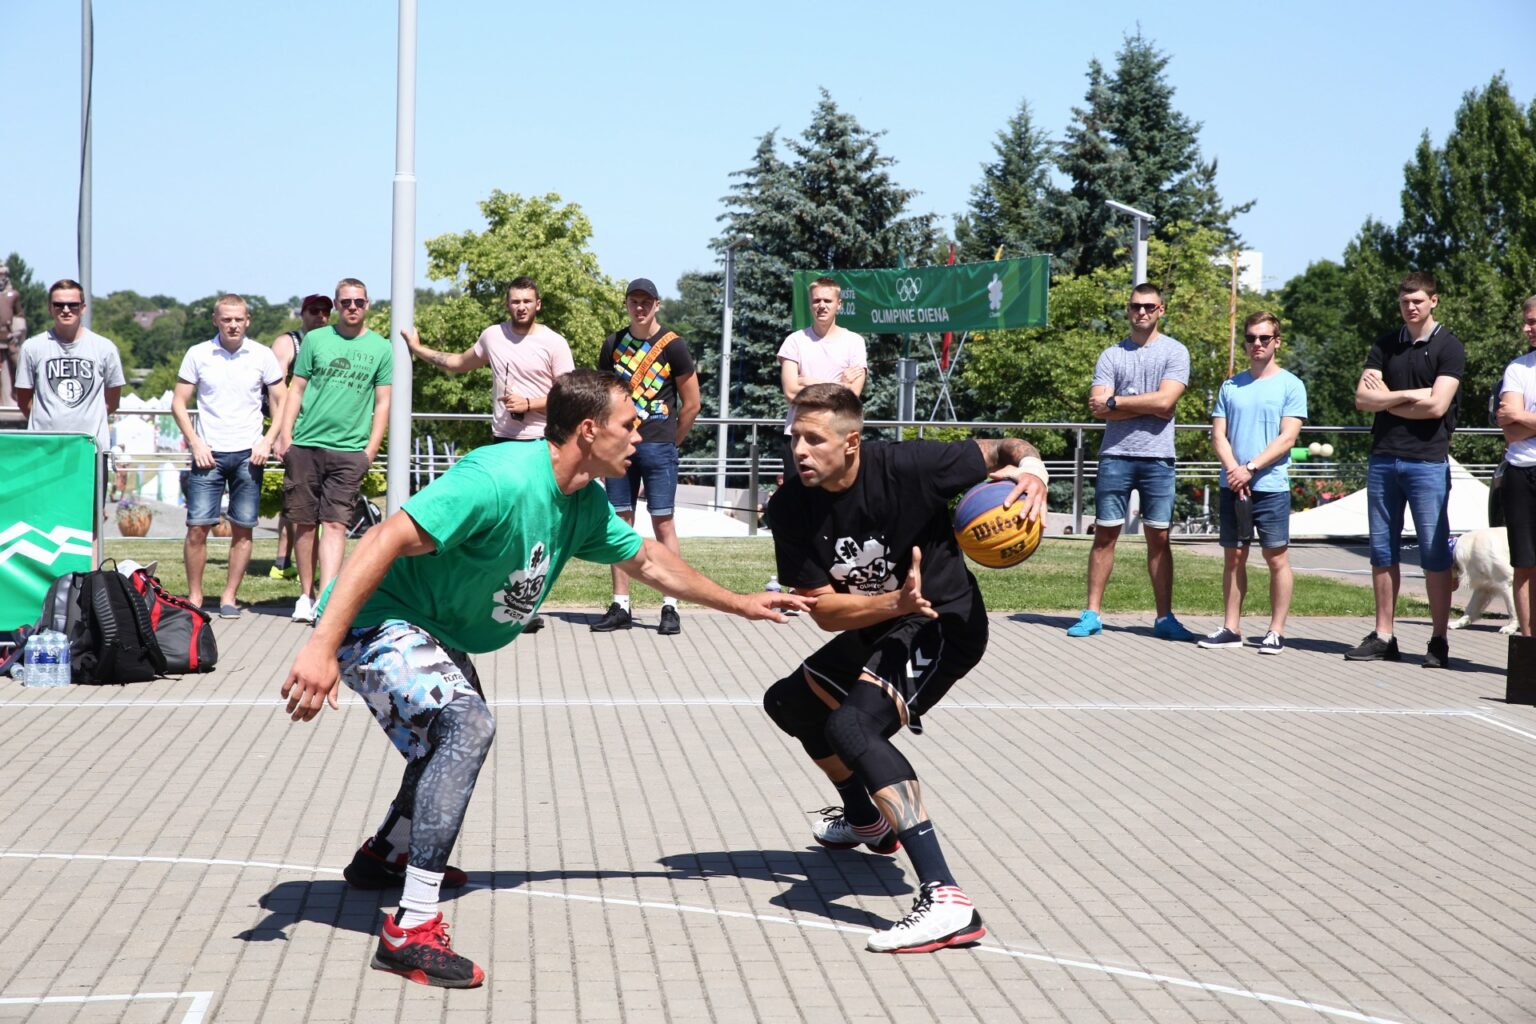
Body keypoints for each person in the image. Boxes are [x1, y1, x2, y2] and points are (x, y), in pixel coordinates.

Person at [280, 369, 811, 989]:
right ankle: (410, 931)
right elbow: (380, 539)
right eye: (629, 425)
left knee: (450, 737)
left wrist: (740, 603)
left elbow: (646, 561)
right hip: (380, 620)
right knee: (466, 727)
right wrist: (320, 644)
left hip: (436, 630)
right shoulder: (498, 479)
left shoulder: (582, 501)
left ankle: (384, 857)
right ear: (589, 430)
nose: (639, 437)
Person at [762, 383, 1048, 953]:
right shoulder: (791, 505)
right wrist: (891, 605)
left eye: (814, 438)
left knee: (852, 727)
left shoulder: (911, 464)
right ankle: (866, 820)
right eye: (795, 436)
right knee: (789, 702)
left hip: (944, 622)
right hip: (884, 617)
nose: (799, 449)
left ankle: (946, 901)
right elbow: (825, 613)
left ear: (851, 443)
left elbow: (1009, 447)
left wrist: (1033, 472)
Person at [402, 278, 574, 633]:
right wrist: (418, 349)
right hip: (502, 442)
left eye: (527, 301)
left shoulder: (554, 342)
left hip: (540, 444)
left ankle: (528, 604)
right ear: (507, 304)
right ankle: (497, 601)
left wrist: (529, 404)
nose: (521, 307)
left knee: (532, 529)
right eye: (515, 301)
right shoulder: (492, 336)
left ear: (538, 304)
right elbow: (457, 363)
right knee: (501, 529)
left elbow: (568, 394)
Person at [1346, 272, 1464, 667]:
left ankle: (1438, 640)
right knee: (1382, 549)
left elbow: (1436, 406)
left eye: (1417, 301)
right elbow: (1363, 399)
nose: (1410, 307)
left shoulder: (1449, 346)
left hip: (1427, 461)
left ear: (1434, 301)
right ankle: (1384, 635)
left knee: (1433, 551)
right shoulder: (1385, 344)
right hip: (1383, 458)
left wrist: (1388, 399)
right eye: (1404, 302)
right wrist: (1410, 394)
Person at [1068, 283, 1197, 641]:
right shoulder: (1111, 356)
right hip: (1116, 457)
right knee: (1105, 535)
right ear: (1128, 310)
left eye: (1149, 307)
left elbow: (1166, 404)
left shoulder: (1175, 352)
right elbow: (1098, 406)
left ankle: (1165, 618)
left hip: (1158, 458)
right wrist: (1136, 404)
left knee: (1158, 537)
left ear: (1161, 310)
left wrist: (1117, 403)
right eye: (1135, 306)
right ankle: (1092, 614)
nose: (1142, 312)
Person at [274, 278, 391, 624]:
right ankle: (305, 595)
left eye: (358, 302)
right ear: (337, 306)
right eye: (345, 302)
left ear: (367, 304)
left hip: (350, 451)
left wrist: (369, 450)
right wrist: (285, 436)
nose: (351, 307)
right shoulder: (315, 340)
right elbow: (296, 389)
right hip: (306, 444)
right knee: (304, 523)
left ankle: (327, 599)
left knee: (335, 524)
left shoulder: (381, 348)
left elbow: (383, 403)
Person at [590, 277, 700, 636]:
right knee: (619, 523)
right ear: (626, 304)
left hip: (657, 445)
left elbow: (692, 403)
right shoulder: (614, 343)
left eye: (646, 302)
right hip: (619, 447)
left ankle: (670, 604)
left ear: (657, 304)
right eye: (634, 302)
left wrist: (671, 441)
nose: (640, 307)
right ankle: (620, 604)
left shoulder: (674, 345)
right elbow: (603, 397)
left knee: (663, 523)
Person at [170, 295, 287, 616]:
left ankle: (229, 597)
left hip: (250, 455)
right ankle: (195, 597)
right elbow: (178, 403)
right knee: (197, 527)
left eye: (238, 319)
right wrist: (194, 442)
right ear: (215, 320)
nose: (233, 325)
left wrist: (268, 440)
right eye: (226, 319)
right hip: (208, 453)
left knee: (243, 528)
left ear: (247, 320)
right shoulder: (198, 354)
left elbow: (282, 399)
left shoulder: (262, 355)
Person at [1198, 312, 1307, 654]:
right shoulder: (1230, 386)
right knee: (1234, 557)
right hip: (1234, 485)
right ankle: (1231, 628)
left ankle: (1276, 631)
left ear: (1277, 341)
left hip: (1270, 485)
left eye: (1263, 338)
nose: (1256, 344)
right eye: (1250, 338)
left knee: (1277, 559)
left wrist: (1250, 468)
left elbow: (1287, 438)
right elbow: (1218, 436)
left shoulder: (1291, 385)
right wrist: (1234, 471)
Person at [15, 279, 125, 454]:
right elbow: (23, 399)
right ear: (50, 308)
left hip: (90, 450)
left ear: (83, 308)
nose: (66, 310)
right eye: (59, 305)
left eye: (72, 305)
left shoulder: (105, 348)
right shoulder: (32, 347)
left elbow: (112, 400)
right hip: (44, 449)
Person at [267, 293, 333, 583]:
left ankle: (288, 561)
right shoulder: (288, 342)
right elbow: (276, 389)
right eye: (314, 310)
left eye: (325, 311)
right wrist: (281, 433)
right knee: (294, 500)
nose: (320, 316)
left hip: (322, 430)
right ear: (303, 313)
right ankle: (282, 561)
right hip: (291, 430)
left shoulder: (332, 339)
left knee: (307, 504)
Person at [778, 276, 866, 463]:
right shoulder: (794, 341)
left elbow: (852, 395)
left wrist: (807, 381)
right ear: (810, 304)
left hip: (837, 436)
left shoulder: (855, 342)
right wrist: (840, 384)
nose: (822, 305)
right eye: (817, 300)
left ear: (839, 304)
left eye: (828, 301)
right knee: (798, 493)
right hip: (798, 436)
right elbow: (791, 392)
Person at [1495, 295, 1536, 637]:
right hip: (1521, 473)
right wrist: (1520, 420)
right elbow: (1510, 430)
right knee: (1524, 563)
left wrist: (1523, 416)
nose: (1527, 328)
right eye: (1526, 321)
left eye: (1533, 322)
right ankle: (1528, 644)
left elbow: (1516, 418)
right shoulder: (1518, 368)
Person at [0, 264, 25, 407]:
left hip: (8, 338)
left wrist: (18, 331)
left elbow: (19, 315)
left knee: (19, 365)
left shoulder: (13, 295)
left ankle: (15, 397)